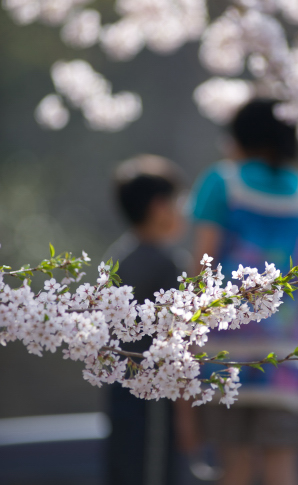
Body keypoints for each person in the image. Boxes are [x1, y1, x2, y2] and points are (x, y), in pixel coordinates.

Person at [180, 99, 298, 485]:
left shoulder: (222, 184)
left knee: (233, 468)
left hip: (222, 353)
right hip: (284, 357)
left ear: (241, 137)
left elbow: (200, 272)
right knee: (282, 468)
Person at [105, 154, 187, 485]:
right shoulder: (168, 265)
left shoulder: (117, 259)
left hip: (120, 395)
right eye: (179, 201)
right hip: (158, 403)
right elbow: (181, 342)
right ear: (159, 206)